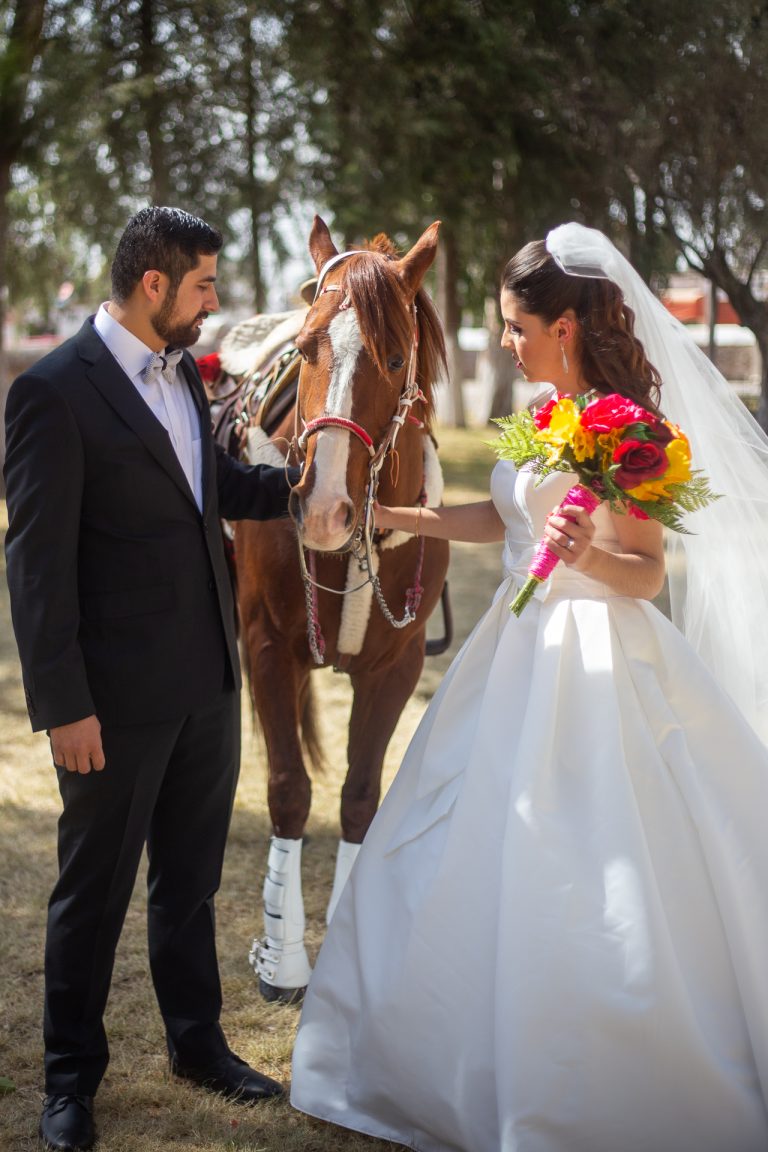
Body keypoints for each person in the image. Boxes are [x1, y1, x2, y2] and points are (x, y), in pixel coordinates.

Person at [289, 223, 768, 1152]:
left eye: (517, 326)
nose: (507, 341)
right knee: (448, 843)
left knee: (585, 862)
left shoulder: (631, 430)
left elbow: (645, 575)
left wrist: (592, 551)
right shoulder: (545, 417)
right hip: (511, 649)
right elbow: (502, 515)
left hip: (592, 661)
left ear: (567, 326)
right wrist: (392, 513)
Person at [4, 206, 299, 1152]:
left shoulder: (182, 377)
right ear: (155, 285)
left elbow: (207, 486)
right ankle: (69, 1083)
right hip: (113, 702)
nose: (216, 302)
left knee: (191, 883)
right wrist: (64, 709)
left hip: (208, 681)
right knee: (93, 891)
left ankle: (198, 1044)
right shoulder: (53, 392)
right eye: (206, 285)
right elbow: (36, 568)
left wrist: (301, 488)